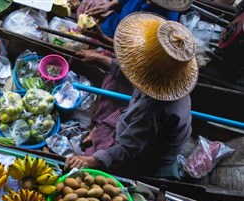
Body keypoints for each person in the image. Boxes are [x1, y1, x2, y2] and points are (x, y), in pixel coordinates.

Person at [65, 12, 198, 178]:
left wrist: (92, 160)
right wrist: (99, 57)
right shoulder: (167, 78)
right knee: (112, 84)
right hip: (135, 122)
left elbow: (129, 149)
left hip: (147, 155)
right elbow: (125, 69)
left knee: (95, 154)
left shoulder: (154, 108)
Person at [77, 0, 193, 44]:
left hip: (119, 42)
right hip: (114, 21)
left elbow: (133, 49)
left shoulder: (162, 22)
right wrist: (108, 6)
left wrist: (102, 38)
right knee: (89, 3)